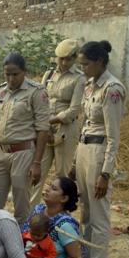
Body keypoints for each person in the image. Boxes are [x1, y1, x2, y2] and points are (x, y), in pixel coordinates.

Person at [72, 41, 126, 258]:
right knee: (86, 213)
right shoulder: (90, 85)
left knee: (99, 216)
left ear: (100, 62)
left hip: (99, 152)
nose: (82, 68)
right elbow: (84, 124)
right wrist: (75, 160)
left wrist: (106, 173)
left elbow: (113, 136)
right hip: (84, 149)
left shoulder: (112, 89)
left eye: (85, 64)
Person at [0, 52, 50, 225]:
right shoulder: (0, 92)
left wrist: (37, 163)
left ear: (24, 72)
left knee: (21, 202)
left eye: (15, 74)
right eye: (7, 74)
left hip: (24, 153)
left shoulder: (36, 92)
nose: (11, 78)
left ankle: (21, 242)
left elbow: (43, 129)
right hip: (1, 153)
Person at [30, 39, 85, 206]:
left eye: (68, 59)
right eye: (60, 58)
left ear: (75, 58)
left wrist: (49, 121)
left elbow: (74, 109)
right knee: (37, 171)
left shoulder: (79, 79)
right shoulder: (48, 75)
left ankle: (59, 214)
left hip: (65, 129)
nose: (63, 62)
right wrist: (42, 126)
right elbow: (39, 100)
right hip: (45, 128)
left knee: (62, 175)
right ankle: (30, 214)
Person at [22, 176, 81, 258]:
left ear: (64, 198)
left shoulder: (64, 225)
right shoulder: (38, 210)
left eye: (53, 188)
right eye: (49, 185)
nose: (47, 189)